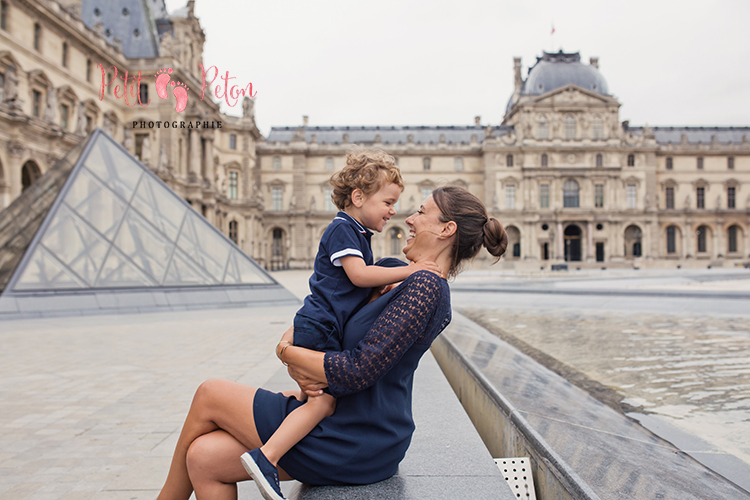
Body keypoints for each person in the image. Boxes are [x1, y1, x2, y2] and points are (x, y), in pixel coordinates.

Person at [156, 186, 508, 500]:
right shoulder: (392, 274)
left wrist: (286, 352)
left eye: (421, 211)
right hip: (339, 416)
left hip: (360, 434)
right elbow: (329, 311)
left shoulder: (427, 288)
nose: (409, 218)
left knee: (210, 393)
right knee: (203, 457)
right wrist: (295, 346)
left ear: (447, 230)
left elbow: (358, 369)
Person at [241, 149, 440, 499]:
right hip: (320, 327)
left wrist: (385, 284)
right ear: (359, 197)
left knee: (313, 400)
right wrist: (410, 270)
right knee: (321, 403)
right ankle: (266, 459)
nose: (396, 212)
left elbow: (359, 287)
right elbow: (359, 275)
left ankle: (278, 446)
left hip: (322, 326)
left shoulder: (357, 233)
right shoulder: (343, 230)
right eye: (389, 202)